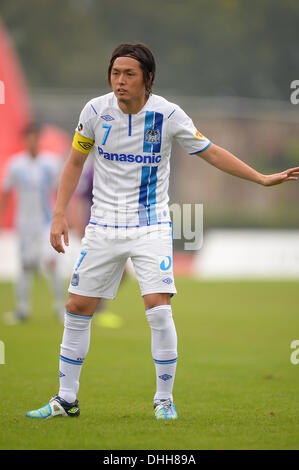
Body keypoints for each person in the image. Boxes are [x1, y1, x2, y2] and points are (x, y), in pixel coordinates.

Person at [26, 43, 299, 421]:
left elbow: (212, 151)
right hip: (103, 225)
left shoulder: (168, 115)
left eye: (129, 74)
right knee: (77, 308)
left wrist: (260, 177)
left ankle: (164, 400)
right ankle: (66, 399)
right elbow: (75, 161)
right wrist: (58, 213)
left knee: (157, 306)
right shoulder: (94, 111)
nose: (119, 81)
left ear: (148, 79)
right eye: (115, 73)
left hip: (150, 224)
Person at [0, 123, 65, 323]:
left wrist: (62, 216)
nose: (32, 141)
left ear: (39, 139)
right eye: (29, 137)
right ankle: (22, 310)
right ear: (24, 140)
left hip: (46, 223)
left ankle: (60, 309)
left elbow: (61, 191)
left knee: (52, 263)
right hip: (25, 224)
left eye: (35, 137)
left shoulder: (51, 164)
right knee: (26, 266)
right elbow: (6, 192)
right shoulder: (15, 164)